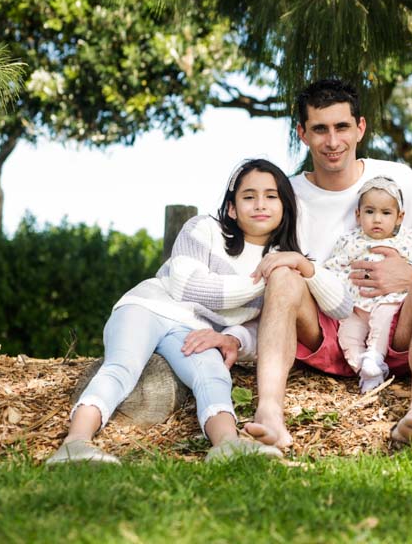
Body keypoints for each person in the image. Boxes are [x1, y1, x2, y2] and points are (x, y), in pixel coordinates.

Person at [47, 159, 351, 464]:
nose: (260, 204)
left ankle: (227, 445)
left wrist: (303, 267)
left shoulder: (281, 260)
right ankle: (75, 443)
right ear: (232, 208)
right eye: (249, 196)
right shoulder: (204, 228)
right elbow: (187, 285)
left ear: (285, 206)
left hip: (195, 330)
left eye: (271, 196)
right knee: (123, 366)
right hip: (148, 307)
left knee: (213, 375)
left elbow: (338, 307)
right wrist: (265, 283)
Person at [243, 78, 412, 451]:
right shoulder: (287, 194)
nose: (332, 141)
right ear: (302, 133)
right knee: (282, 275)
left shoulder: (399, 181)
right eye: (319, 129)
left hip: (396, 329)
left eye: (342, 127)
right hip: (324, 331)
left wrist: (410, 275)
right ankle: (270, 413)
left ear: (360, 127)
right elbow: (258, 275)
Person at [324, 175, 412, 393]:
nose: (377, 219)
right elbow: (332, 268)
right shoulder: (348, 241)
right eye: (369, 212)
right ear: (358, 215)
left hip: (390, 303)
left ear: (400, 217)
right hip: (356, 306)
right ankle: (365, 370)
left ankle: (375, 356)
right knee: (347, 335)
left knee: (383, 320)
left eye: (386, 213)